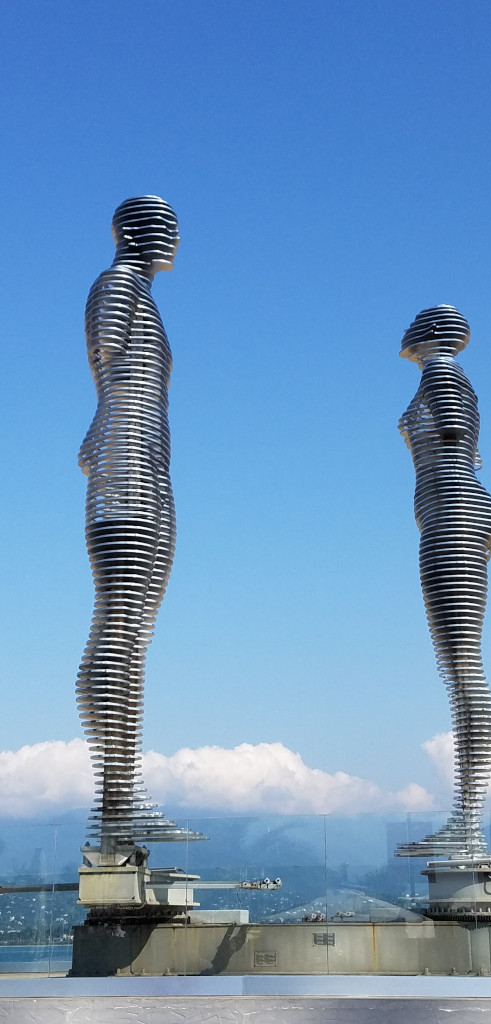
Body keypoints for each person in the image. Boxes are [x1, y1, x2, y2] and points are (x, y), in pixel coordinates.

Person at [77, 196, 198, 849]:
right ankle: (118, 801)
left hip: (147, 473)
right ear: (133, 230)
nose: (173, 235)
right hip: (127, 474)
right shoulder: (117, 286)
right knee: (118, 632)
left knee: (131, 637)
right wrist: (113, 460)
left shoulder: (140, 295)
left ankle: (125, 798)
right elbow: (111, 378)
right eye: (164, 225)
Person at [396, 305, 491, 858]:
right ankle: (466, 821)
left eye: (414, 324)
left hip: (453, 517)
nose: (404, 334)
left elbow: (458, 437)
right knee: (460, 667)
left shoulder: (442, 374)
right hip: (456, 512)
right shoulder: (445, 378)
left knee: (462, 667)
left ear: (433, 332)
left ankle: (468, 822)